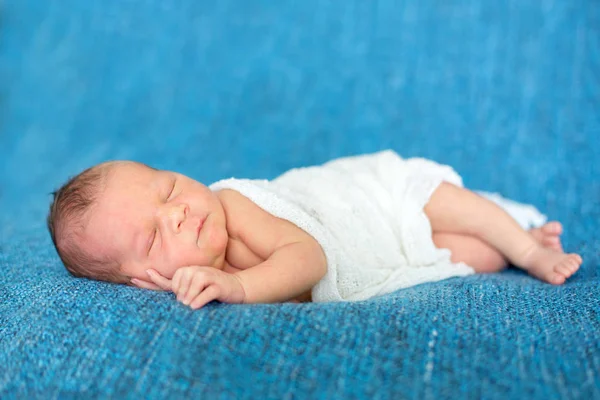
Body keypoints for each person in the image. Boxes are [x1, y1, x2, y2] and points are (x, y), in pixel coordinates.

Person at [47, 151, 582, 310]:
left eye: (166, 188)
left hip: (367, 199)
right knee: (472, 256)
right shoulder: (188, 280)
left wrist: (239, 287)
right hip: (375, 250)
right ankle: (517, 246)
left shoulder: (232, 204)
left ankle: (526, 247)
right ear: (145, 281)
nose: (178, 212)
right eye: (153, 238)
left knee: (446, 204)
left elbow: (308, 258)